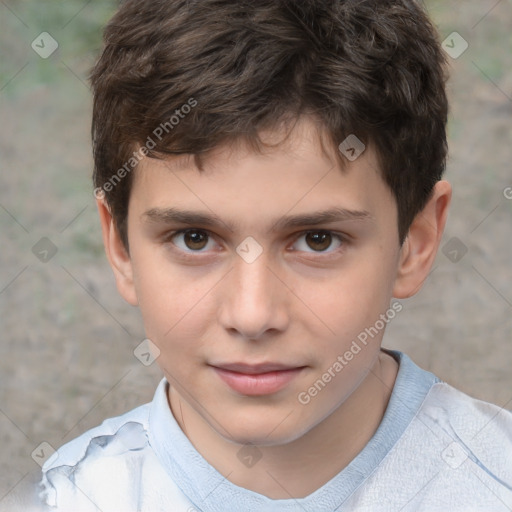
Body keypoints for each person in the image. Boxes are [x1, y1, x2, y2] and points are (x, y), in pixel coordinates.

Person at [39, 0, 512, 510]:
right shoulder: (71, 498)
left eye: (317, 240)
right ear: (120, 247)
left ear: (414, 244)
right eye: (194, 238)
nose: (253, 315)